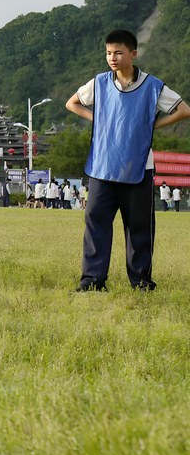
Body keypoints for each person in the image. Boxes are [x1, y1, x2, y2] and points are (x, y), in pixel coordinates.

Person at [66, 29, 190, 291]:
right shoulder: (99, 82)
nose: (112, 57)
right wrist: (98, 120)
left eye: (118, 52)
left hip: (138, 168)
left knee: (139, 228)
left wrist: (151, 126)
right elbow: (72, 103)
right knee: (96, 224)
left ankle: (141, 282)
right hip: (102, 167)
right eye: (109, 52)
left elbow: (184, 110)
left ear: (133, 53)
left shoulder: (153, 85)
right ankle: (92, 281)